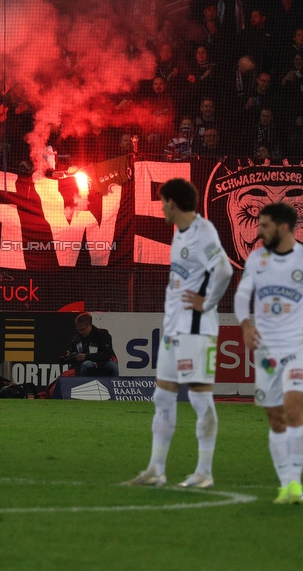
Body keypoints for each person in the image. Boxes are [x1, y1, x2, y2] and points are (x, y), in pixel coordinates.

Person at [233, 202, 303, 504]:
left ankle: (294, 484)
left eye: (265, 226)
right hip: (267, 351)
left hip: (299, 347)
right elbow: (242, 295)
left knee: (293, 410)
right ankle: (285, 483)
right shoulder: (256, 259)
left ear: (283, 227)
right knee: (274, 418)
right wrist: (245, 325)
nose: (259, 231)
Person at [123, 178, 233, 489]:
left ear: (172, 202)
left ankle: (204, 472)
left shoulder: (203, 231)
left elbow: (224, 269)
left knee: (200, 399)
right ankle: (156, 469)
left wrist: (207, 302)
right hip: (175, 329)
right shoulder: (181, 234)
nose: (160, 208)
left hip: (195, 329)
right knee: (162, 396)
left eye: (162, 202)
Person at [65, 312, 118, 377]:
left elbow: (107, 354)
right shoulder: (76, 339)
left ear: (90, 325)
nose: (80, 332)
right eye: (78, 329)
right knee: (87, 364)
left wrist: (86, 356)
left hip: (103, 363)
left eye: (82, 329)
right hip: (84, 365)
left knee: (112, 366)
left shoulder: (102, 334)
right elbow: (73, 357)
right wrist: (71, 356)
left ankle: (113, 385)